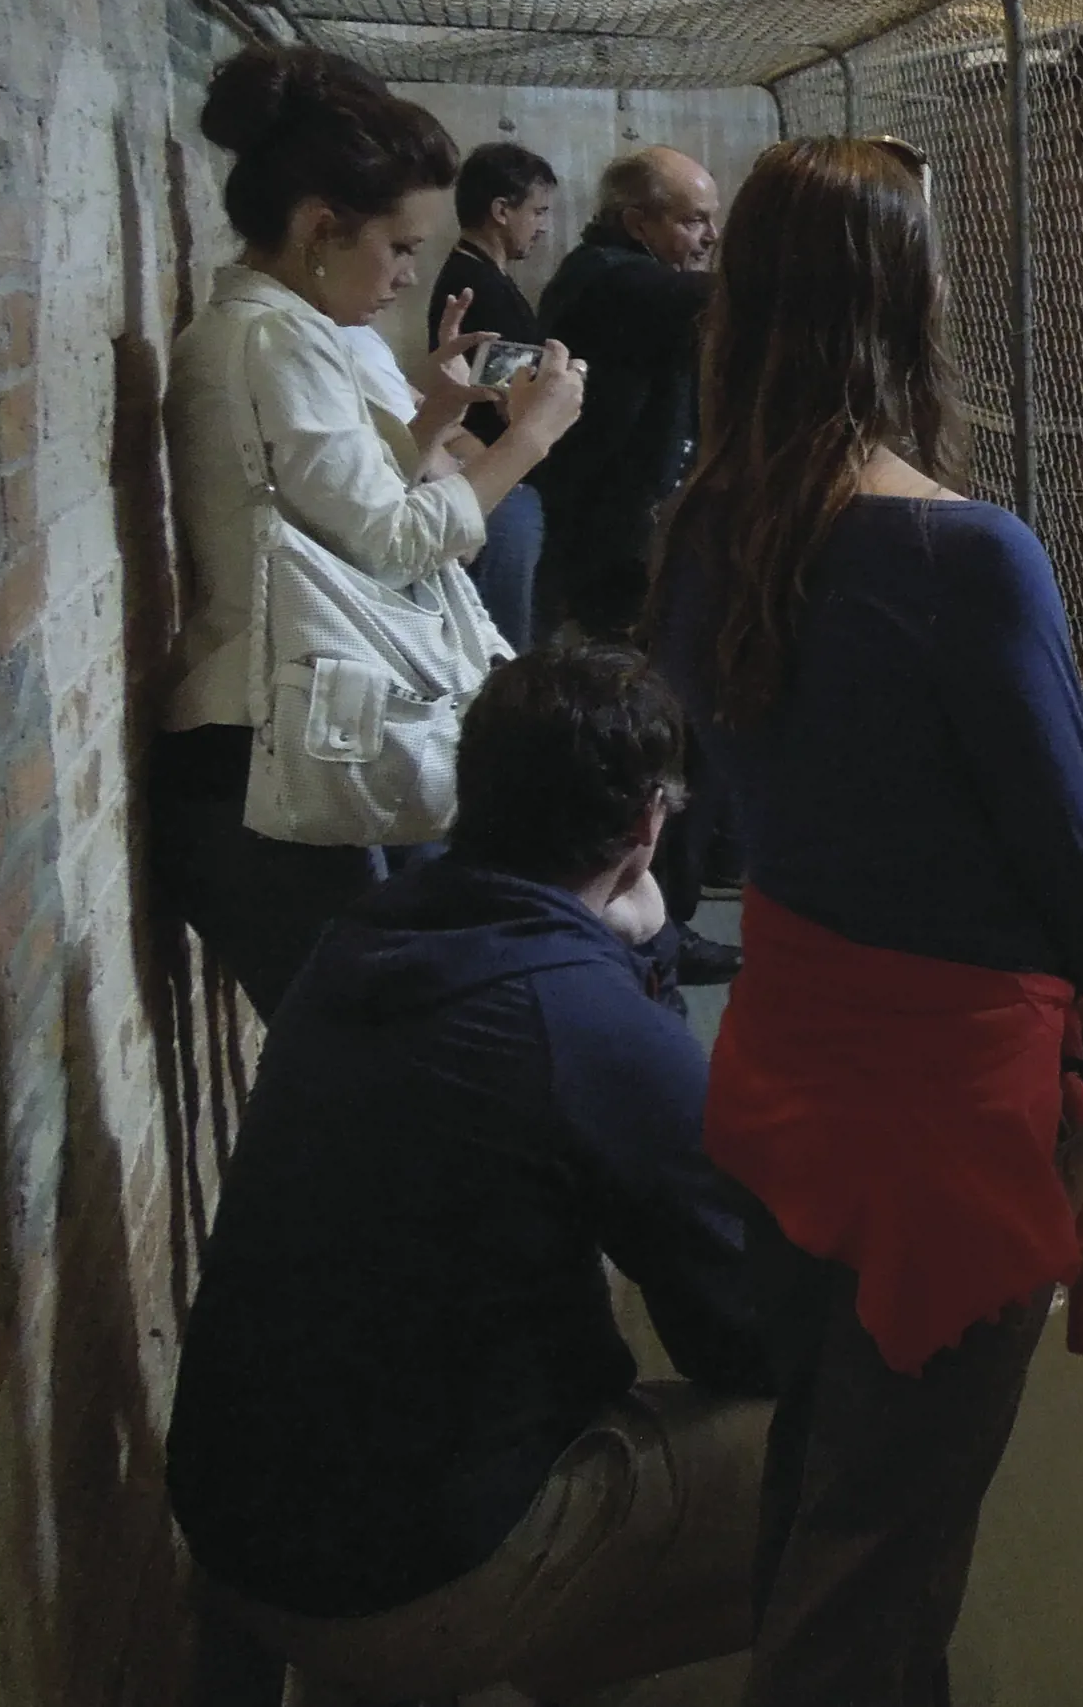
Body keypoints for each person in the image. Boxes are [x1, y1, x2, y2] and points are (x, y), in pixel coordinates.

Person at [650, 137, 1083, 1707]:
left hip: (788, 1055)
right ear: (901, 300)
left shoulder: (711, 524)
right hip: (940, 1106)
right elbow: (1076, 845)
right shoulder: (959, 553)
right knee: (889, 1533)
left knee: (825, 1452)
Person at [167, 642, 774, 1703]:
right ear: (646, 825)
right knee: (853, 1446)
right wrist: (650, 965)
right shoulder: (581, 1020)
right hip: (394, 1592)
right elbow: (740, 1328)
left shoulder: (368, 932)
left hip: (236, 1536)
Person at [155, 45, 585, 1016]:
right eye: (398, 247)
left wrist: (434, 419)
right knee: (354, 1066)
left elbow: (328, 512)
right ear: (320, 227)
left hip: (279, 744)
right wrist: (525, 439)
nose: (405, 274)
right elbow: (388, 541)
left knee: (359, 1053)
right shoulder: (272, 338)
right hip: (258, 760)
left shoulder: (287, 330)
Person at [539, 143, 744, 985]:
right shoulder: (610, 279)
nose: (708, 235)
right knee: (654, 739)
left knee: (666, 734)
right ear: (638, 221)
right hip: (612, 554)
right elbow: (713, 299)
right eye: (694, 218)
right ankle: (651, 926)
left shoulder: (614, 274)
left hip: (624, 545)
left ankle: (656, 917)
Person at [430, 138, 563, 650]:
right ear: (501, 211)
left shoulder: (482, 275)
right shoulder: (474, 284)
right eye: (538, 211)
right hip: (497, 481)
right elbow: (511, 399)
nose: (544, 224)